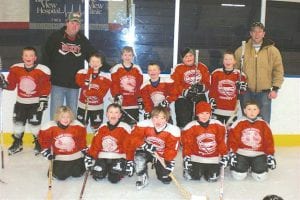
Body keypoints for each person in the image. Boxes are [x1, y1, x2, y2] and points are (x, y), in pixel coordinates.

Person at [42, 12, 97, 119]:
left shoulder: (82, 40)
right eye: (72, 23)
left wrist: (109, 67)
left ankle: (70, 136)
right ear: (67, 23)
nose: (75, 26)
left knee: (72, 116)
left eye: (77, 24)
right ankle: (55, 135)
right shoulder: (55, 37)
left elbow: (93, 56)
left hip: (74, 85)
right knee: (56, 115)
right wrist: (45, 77)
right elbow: (45, 57)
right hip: (57, 84)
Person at [0, 47, 51, 155]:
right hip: (20, 103)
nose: (29, 58)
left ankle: (39, 143)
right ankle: (17, 143)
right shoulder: (16, 69)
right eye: (26, 55)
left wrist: (43, 100)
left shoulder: (42, 70)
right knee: (18, 124)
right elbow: (11, 86)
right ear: (22, 57)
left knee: (35, 125)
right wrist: (3, 83)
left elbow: (45, 87)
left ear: (35, 58)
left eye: (31, 55)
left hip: (35, 104)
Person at [235, 22, 284, 123]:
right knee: (246, 122)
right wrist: (237, 86)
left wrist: (275, 89)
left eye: (259, 32)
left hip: (264, 93)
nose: (257, 34)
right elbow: (235, 70)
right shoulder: (241, 50)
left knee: (264, 122)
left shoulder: (273, 51)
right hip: (246, 92)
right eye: (254, 31)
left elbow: (278, 70)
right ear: (250, 33)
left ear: (263, 34)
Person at [126, 106, 180, 189]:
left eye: (162, 118)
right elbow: (133, 138)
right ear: (152, 117)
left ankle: (163, 173)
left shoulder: (173, 131)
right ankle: (142, 177)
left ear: (167, 119)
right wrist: (143, 144)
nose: (159, 121)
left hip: (161, 155)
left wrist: (168, 160)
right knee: (139, 158)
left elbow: (172, 149)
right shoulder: (144, 125)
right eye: (156, 117)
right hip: (147, 151)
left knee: (164, 173)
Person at [228, 100, 276, 181]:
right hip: (242, 154)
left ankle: (254, 165)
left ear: (258, 111)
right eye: (249, 109)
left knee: (260, 177)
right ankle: (245, 166)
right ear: (244, 111)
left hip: (258, 154)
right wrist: (232, 153)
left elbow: (268, 141)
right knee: (238, 176)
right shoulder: (238, 123)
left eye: (254, 109)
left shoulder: (264, 124)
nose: (252, 112)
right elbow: (232, 140)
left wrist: (270, 155)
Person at [83, 103, 131, 183]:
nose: (113, 114)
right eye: (111, 112)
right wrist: (90, 155)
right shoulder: (102, 127)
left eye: (116, 112)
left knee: (113, 178)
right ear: (107, 114)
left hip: (118, 157)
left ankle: (116, 168)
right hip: (103, 157)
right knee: (97, 175)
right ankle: (106, 167)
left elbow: (129, 146)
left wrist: (130, 160)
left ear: (120, 115)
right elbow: (96, 143)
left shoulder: (125, 127)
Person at [181, 101, 228, 182]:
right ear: (197, 114)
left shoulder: (218, 125)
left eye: (207, 113)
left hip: (212, 158)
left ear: (210, 113)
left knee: (212, 178)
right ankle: (191, 169)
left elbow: (221, 142)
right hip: (196, 157)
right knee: (194, 176)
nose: (204, 116)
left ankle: (209, 168)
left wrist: (225, 155)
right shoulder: (190, 126)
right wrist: (186, 157)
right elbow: (187, 144)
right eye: (201, 113)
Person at [38, 106, 87, 180]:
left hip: (75, 156)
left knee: (78, 174)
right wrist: (47, 152)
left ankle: (80, 163)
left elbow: (81, 141)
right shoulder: (50, 127)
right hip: (61, 157)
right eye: (63, 117)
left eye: (68, 117)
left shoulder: (77, 126)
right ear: (58, 117)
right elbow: (44, 142)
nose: (66, 119)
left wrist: (86, 152)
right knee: (61, 176)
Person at [170, 48, 210, 128]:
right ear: (182, 59)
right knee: (184, 123)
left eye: (190, 55)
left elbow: (208, 82)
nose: (189, 58)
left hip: (199, 97)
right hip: (183, 99)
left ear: (194, 56)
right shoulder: (178, 68)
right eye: (186, 57)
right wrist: (185, 92)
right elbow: (175, 83)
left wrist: (201, 87)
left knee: (200, 122)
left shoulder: (202, 67)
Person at [75, 53, 111, 132]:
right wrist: (89, 73)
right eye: (93, 61)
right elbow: (79, 82)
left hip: (97, 107)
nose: (95, 64)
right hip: (83, 106)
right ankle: (81, 143)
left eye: (97, 62)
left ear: (101, 64)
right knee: (81, 126)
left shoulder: (105, 77)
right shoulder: (83, 73)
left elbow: (102, 93)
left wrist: (91, 93)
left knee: (96, 127)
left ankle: (95, 143)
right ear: (89, 63)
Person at [209, 50, 247, 125]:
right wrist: (211, 99)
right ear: (223, 61)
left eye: (230, 59)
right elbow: (212, 90)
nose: (228, 61)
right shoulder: (216, 73)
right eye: (226, 59)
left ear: (234, 61)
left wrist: (241, 88)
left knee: (230, 133)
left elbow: (242, 92)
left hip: (232, 110)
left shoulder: (240, 75)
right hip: (217, 110)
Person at [110, 46, 143, 125]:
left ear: (133, 56)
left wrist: (139, 98)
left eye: (130, 55)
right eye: (125, 55)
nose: (127, 57)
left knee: (133, 124)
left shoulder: (137, 68)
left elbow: (139, 85)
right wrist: (116, 95)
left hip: (133, 103)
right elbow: (114, 84)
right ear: (122, 56)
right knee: (121, 125)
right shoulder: (117, 68)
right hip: (121, 102)